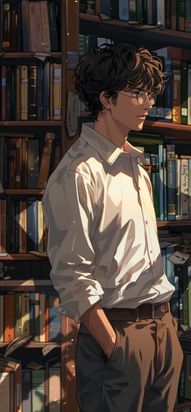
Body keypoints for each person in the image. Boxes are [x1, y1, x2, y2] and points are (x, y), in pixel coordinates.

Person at [42, 42, 183, 412]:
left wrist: (167, 332)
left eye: (150, 93)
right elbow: (72, 273)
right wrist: (114, 345)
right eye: (136, 93)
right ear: (106, 98)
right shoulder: (77, 173)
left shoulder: (136, 165)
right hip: (120, 334)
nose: (147, 103)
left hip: (162, 328)